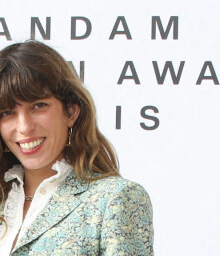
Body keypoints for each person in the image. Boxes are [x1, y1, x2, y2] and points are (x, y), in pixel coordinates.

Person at [0, 41, 154, 255]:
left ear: (71, 111)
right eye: (7, 112)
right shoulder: (4, 199)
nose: (24, 127)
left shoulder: (114, 199)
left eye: (38, 105)